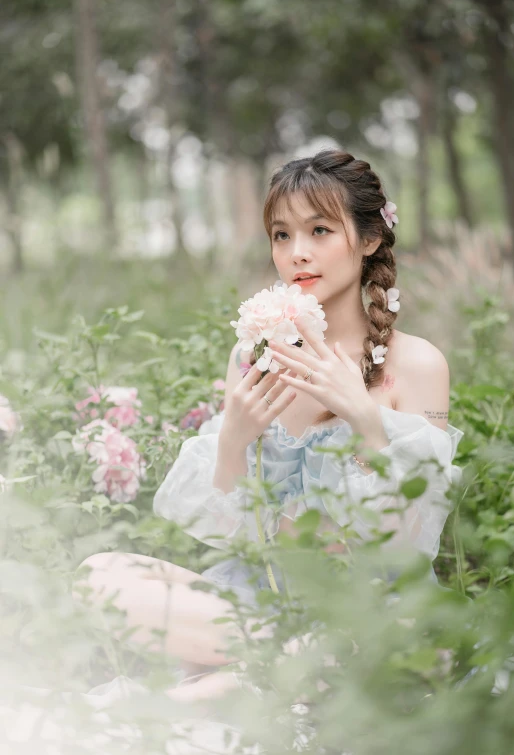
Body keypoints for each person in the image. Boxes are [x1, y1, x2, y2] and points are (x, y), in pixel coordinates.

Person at [73, 149, 464, 707]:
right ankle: (283, 659)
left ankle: (182, 700)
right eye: (281, 235)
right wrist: (232, 440)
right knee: (100, 575)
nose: (297, 253)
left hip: (372, 609)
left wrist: (366, 418)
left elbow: (411, 546)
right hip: (266, 598)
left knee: (381, 639)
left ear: (371, 238)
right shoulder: (252, 355)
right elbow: (234, 523)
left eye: (320, 230)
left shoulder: (419, 364)